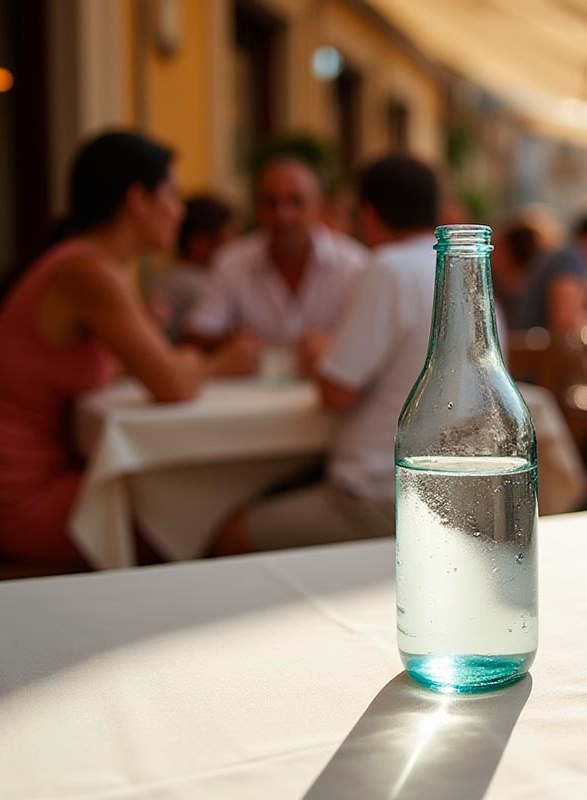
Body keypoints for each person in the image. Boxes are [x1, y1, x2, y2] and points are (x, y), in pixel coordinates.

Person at [0, 131, 259, 566]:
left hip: (12, 486)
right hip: (23, 503)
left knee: (181, 505)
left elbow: (103, 370)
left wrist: (145, 347)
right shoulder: (89, 272)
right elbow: (173, 386)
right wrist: (218, 362)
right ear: (138, 200)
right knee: (204, 524)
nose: (179, 210)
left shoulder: (76, 262)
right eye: (171, 194)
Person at [212, 155, 441, 554]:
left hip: (382, 493)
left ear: (367, 214)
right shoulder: (458, 264)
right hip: (447, 489)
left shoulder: (387, 268)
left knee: (226, 533)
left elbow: (336, 394)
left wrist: (321, 359)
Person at [186, 156, 367, 346]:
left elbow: (373, 342)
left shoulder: (353, 265)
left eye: (296, 202)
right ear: (256, 207)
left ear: (319, 206)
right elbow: (198, 334)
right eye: (271, 202)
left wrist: (333, 347)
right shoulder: (231, 262)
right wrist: (231, 344)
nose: (282, 215)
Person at [510, 210, 587, 334]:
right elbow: (565, 323)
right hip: (533, 350)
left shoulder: (563, 254)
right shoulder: (570, 258)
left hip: (530, 346)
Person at [153, 194, 237, 342]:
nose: (236, 250)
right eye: (228, 241)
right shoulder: (197, 286)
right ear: (199, 243)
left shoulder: (171, 276)